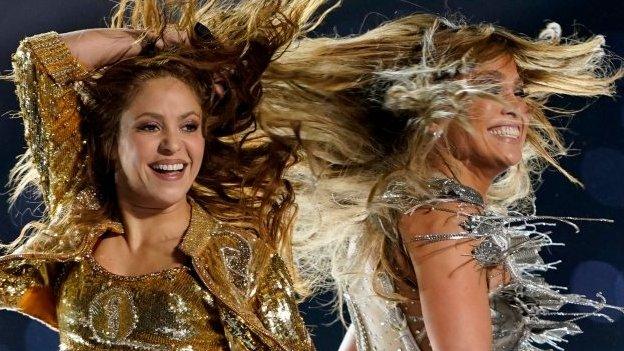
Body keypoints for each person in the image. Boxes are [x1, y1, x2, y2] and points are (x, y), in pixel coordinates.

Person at [259, 15, 623, 350]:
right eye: (488, 88)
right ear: (431, 113)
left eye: (518, 92)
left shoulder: (396, 214)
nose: (516, 107)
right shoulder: (446, 219)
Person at [0, 0, 330, 349]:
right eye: (150, 126)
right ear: (112, 142)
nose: (173, 145)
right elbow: (38, 60)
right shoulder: (80, 214)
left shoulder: (237, 259)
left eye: (189, 126)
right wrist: (155, 40)